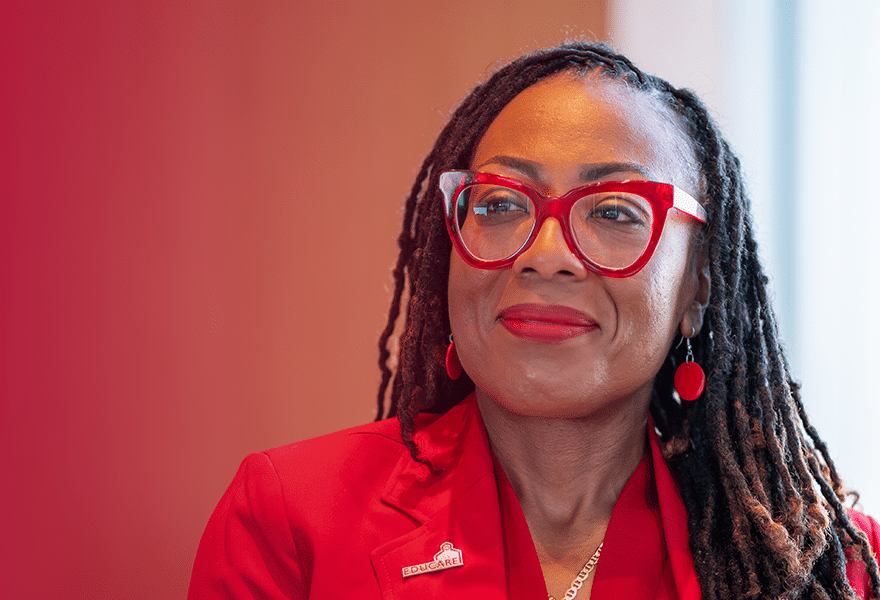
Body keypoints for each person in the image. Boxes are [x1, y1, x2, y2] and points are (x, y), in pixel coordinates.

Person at [188, 42, 880, 600]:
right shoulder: (290, 518)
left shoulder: (831, 569)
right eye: (500, 205)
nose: (546, 256)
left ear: (698, 286)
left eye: (613, 212)